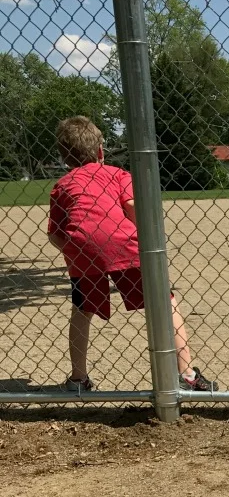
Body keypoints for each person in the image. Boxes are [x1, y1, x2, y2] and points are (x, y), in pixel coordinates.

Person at [47, 116, 215, 393]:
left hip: (81, 249)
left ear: (65, 158)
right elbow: (134, 208)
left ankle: (78, 378)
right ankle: (186, 374)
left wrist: (77, 251)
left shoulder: (62, 184)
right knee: (164, 301)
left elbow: (55, 234)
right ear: (101, 150)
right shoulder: (117, 174)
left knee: (82, 310)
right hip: (124, 243)